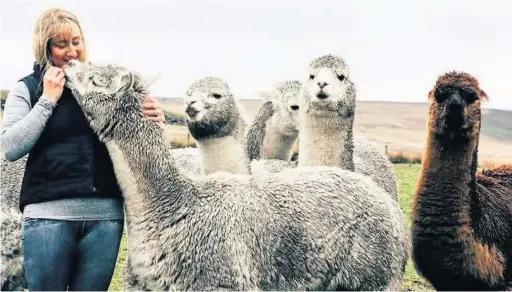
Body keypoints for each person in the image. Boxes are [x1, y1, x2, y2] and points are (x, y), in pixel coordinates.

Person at [0, 8, 165, 291]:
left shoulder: (103, 87)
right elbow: (10, 147)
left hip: (105, 219)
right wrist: (47, 101)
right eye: (61, 44)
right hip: (48, 219)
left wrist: (153, 117)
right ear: (45, 47)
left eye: (76, 41)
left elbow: (133, 138)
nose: (72, 51)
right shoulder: (27, 89)